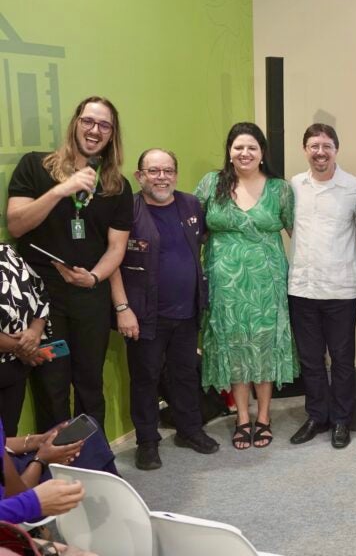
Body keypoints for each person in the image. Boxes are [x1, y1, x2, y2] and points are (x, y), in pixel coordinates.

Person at [6, 96, 132, 433]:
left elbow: (116, 248)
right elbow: (17, 224)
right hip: (41, 300)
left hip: (89, 294)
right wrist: (62, 189)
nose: (95, 130)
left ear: (112, 134)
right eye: (88, 121)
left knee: (90, 384)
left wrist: (92, 278)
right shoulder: (35, 166)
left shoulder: (117, 186)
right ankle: (55, 469)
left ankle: (92, 459)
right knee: (52, 385)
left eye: (104, 125)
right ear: (75, 122)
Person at [108, 148, 220, 470]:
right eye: (154, 171)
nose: (162, 177)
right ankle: (147, 442)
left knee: (185, 375)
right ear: (140, 175)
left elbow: (203, 243)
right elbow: (113, 261)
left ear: (176, 174)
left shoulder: (190, 205)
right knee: (145, 378)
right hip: (144, 315)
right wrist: (122, 308)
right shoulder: (127, 209)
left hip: (187, 313)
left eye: (168, 170)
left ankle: (189, 430)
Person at [195, 122, 297, 450]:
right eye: (238, 147)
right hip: (224, 285)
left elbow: (300, 234)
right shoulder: (212, 184)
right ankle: (242, 417)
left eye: (252, 147)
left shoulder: (280, 189)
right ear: (229, 151)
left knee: (264, 347)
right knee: (234, 347)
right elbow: (193, 229)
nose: (245, 153)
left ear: (262, 152)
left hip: (267, 283)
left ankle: (264, 416)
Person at [287, 123, 356, 450]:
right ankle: (317, 415)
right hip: (302, 287)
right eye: (314, 146)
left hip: (342, 289)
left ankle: (342, 419)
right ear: (305, 150)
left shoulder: (355, 187)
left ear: (336, 149)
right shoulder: (293, 186)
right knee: (311, 359)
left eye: (326, 146)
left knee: (343, 359)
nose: (320, 152)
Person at [0, 244, 51, 433]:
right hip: (21, 354)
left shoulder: (7, 252)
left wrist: (35, 331)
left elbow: (40, 294)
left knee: (9, 437)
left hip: (16, 367)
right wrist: (24, 348)